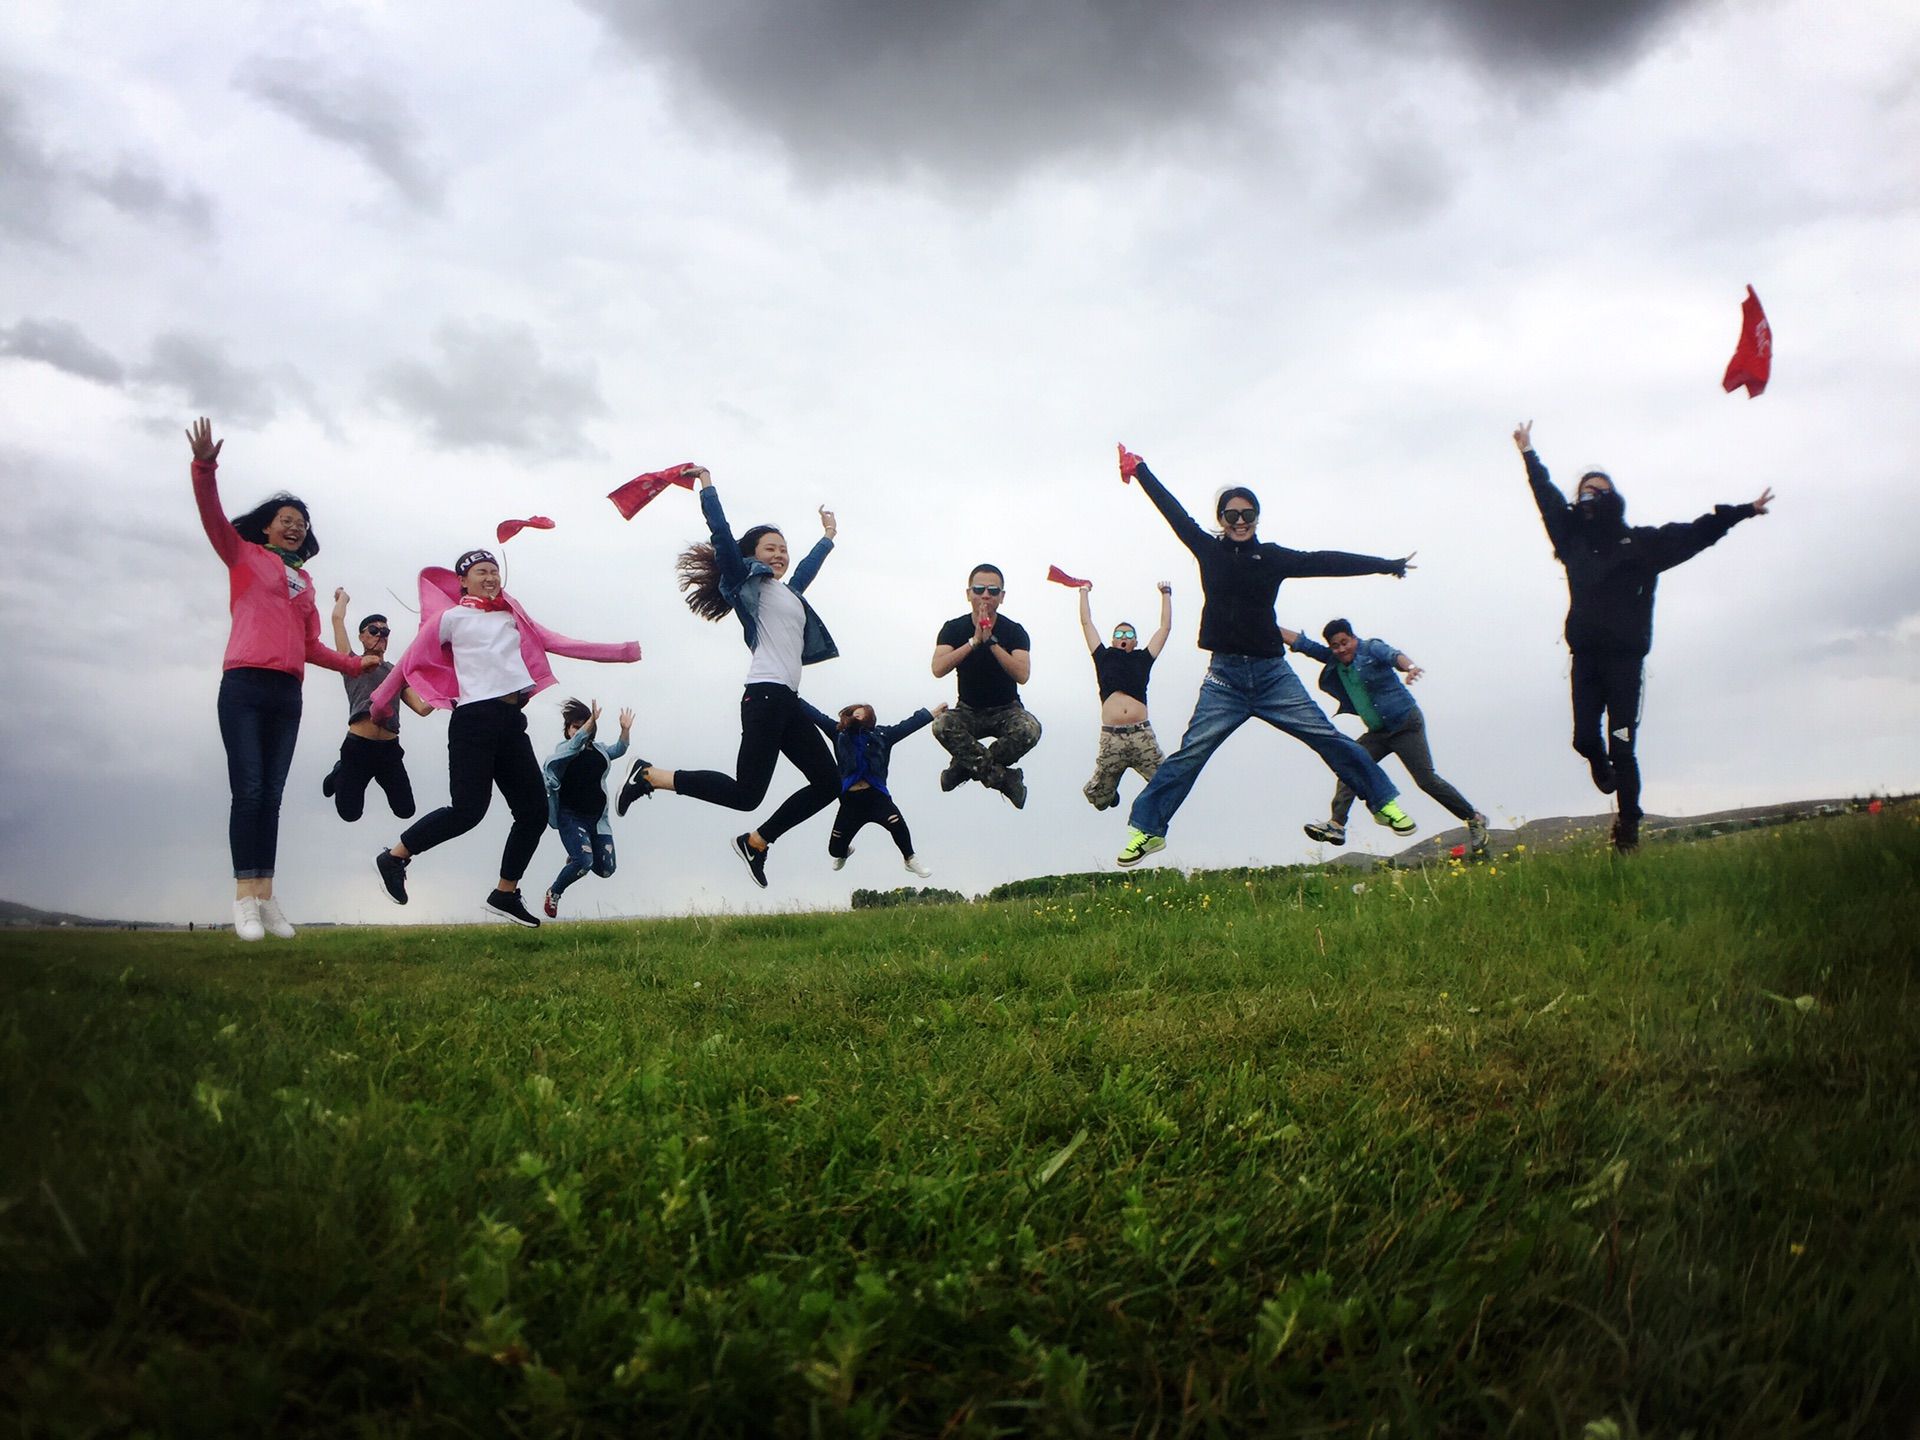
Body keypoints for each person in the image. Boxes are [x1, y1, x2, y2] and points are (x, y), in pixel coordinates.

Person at [1113, 452, 1419, 867]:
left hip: (1273, 676)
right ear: (1221, 518)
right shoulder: (1207, 550)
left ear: (1257, 516)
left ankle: (1383, 802)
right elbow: (1173, 511)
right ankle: (1148, 830)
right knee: (1190, 754)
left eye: (1247, 513)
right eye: (1231, 514)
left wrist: (1386, 566)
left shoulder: (1273, 557)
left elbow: (1324, 561)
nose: (1240, 520)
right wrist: (1141, 469)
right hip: (1225, 680)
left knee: (1327, 737)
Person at [1513, 420, 1774, 851]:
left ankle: (1628, 827)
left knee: (1623, 745)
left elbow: (1695, 534)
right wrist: (1528, 454)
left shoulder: (1641, 545)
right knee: (1584, 739)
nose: (1588, 497)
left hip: (1624, 663)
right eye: (1584, 491)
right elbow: (1547, 501)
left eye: (1597, 491)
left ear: (1613, 498)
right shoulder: (1572, 541)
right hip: (1586, 659)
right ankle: (1599, 764)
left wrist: (1741, 512)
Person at [370, 549, 640, 925]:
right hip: (473, 721)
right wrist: (380, 703)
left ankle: (505, 892)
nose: (490, 577)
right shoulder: (450, 618)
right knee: (468, 811)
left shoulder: (513, 617)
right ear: (462, 580)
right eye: (481, 571)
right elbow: (406, 663)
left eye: (494, 571)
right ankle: (395, 856)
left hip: (512, 722)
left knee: (533, 812)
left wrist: (623, 652)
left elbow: (559, 642)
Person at [188, 416, 375, 943]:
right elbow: (212, 517)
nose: (295, 526)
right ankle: (243, 900)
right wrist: (205, 466)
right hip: (244, 685)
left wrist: (353, 662)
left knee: (270, 795)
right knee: (247, 790)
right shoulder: (242, 556)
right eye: (286, 519)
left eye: (301, 522)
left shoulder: (305, 580)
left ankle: (266, 898)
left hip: (286, 694)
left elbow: (312, 644)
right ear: (267, 526)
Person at [614, 468, 840, 891]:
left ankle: (756, 842)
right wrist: (708, 488)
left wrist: (828, 537)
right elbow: (722, 537)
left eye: (783, 550)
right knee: (745, 794)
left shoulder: (789, 593)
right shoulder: (746, 584)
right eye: (771, 548)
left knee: (829, 783)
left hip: (786, 701)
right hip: (764, 697)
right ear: (753, 554)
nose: (780, 555)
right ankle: (649, 775)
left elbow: (806, 569)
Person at [1283, 619, 1490, 854]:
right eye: (1335, 646)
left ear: (1353, 638)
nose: (1341, 649)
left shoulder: (1371, 648)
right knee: (1351, 764)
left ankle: (1474, 818)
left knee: (1426, 780)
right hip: (1378, 732)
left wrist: (1410, 668)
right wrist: (1266, 625)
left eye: (1344, 642)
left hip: (1404, 725)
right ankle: (1337, 825)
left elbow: (1394, 656)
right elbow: (1303, 645)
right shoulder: (1335, 660)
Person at [930, 565, 1040, 807]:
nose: (986, 596)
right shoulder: (953, 628)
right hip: (968, 709)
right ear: (969, 593)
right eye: (979, 589)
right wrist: (974, 641)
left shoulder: (1014, 631)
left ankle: (963, 767)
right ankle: (1004, 779)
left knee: (1029, 729)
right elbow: (938, 668)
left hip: (1006, 709)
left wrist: (991, 643)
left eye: (993, 590)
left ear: (1002, 596)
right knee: (942, 725)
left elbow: (1022, 674)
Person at [321, 588, 431, 822]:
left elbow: (422, 709)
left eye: (385, 631)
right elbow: (336, 619)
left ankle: (349, 772)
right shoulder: (352, 663)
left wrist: (448, 696)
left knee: (405, 811)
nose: (380, 635)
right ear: (362, 636)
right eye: (374, 631)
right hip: (358, 748)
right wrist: (343, 599)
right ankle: (340, 772)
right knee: (350, 814)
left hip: (389, 751)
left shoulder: (396, 672)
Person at [801, 699, 945, 876]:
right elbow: (817, 716)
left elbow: (907, 725)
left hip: (876, 797)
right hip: (850, 802)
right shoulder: (840, 733)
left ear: (869, 717)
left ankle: (910, 859)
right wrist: (792, 696)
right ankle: (844, 852)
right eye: (852, 714)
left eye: (859, 714)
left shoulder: (883, 735)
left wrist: (932, 713)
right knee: (834, 850)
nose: (855, 716)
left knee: (896, 823)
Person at [1074, 579, 1172, 811]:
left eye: (1128, 633)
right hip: (1112, 737)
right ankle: (1110, 792)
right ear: (1114, 640)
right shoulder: (1103, 656)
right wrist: (1083, 591)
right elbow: (1086, 623)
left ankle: (1149, 814)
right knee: (1098, 800)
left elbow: (1164, 629)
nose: (1124, 636)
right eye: (1119, 633)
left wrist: (1166, 594)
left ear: (1135, 641)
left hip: (1141, 734)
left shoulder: (1143, 658)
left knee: (1169, 783)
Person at [540, 699, 632, 918]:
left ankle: (577, 854)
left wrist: (625, 730)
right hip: (571, 818)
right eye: (575, 726)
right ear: (568, 730)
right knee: (585, 862)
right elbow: (576, 743)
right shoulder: (564, 750)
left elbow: (620, 749)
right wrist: (590, 722)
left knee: (607, 869)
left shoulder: (599, 750)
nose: (580, 729)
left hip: (598, 820)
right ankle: (554, 891)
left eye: (584, 724)